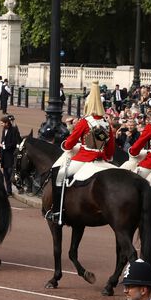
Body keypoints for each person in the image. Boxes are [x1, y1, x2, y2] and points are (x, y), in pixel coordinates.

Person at [49, 83, 112, 221]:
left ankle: (57, 211)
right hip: (102, 158)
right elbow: (110, 147)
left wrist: (66, 145)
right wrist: (106, 156)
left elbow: (70, 143)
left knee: (59, 176)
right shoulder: (107, 123)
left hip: (85, 157)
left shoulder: (84, 122)